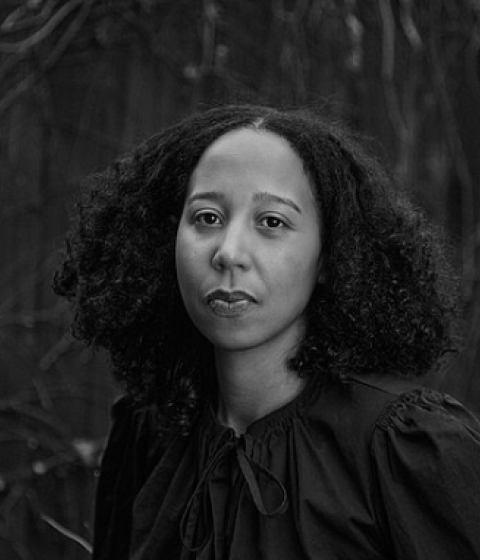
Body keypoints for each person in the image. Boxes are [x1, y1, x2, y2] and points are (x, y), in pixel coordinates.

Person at [54, 104, 480, 560]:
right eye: (207, 218)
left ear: (330, 257)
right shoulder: (148, 434)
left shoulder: (403, 448)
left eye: (272, 222)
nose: (229, 252)